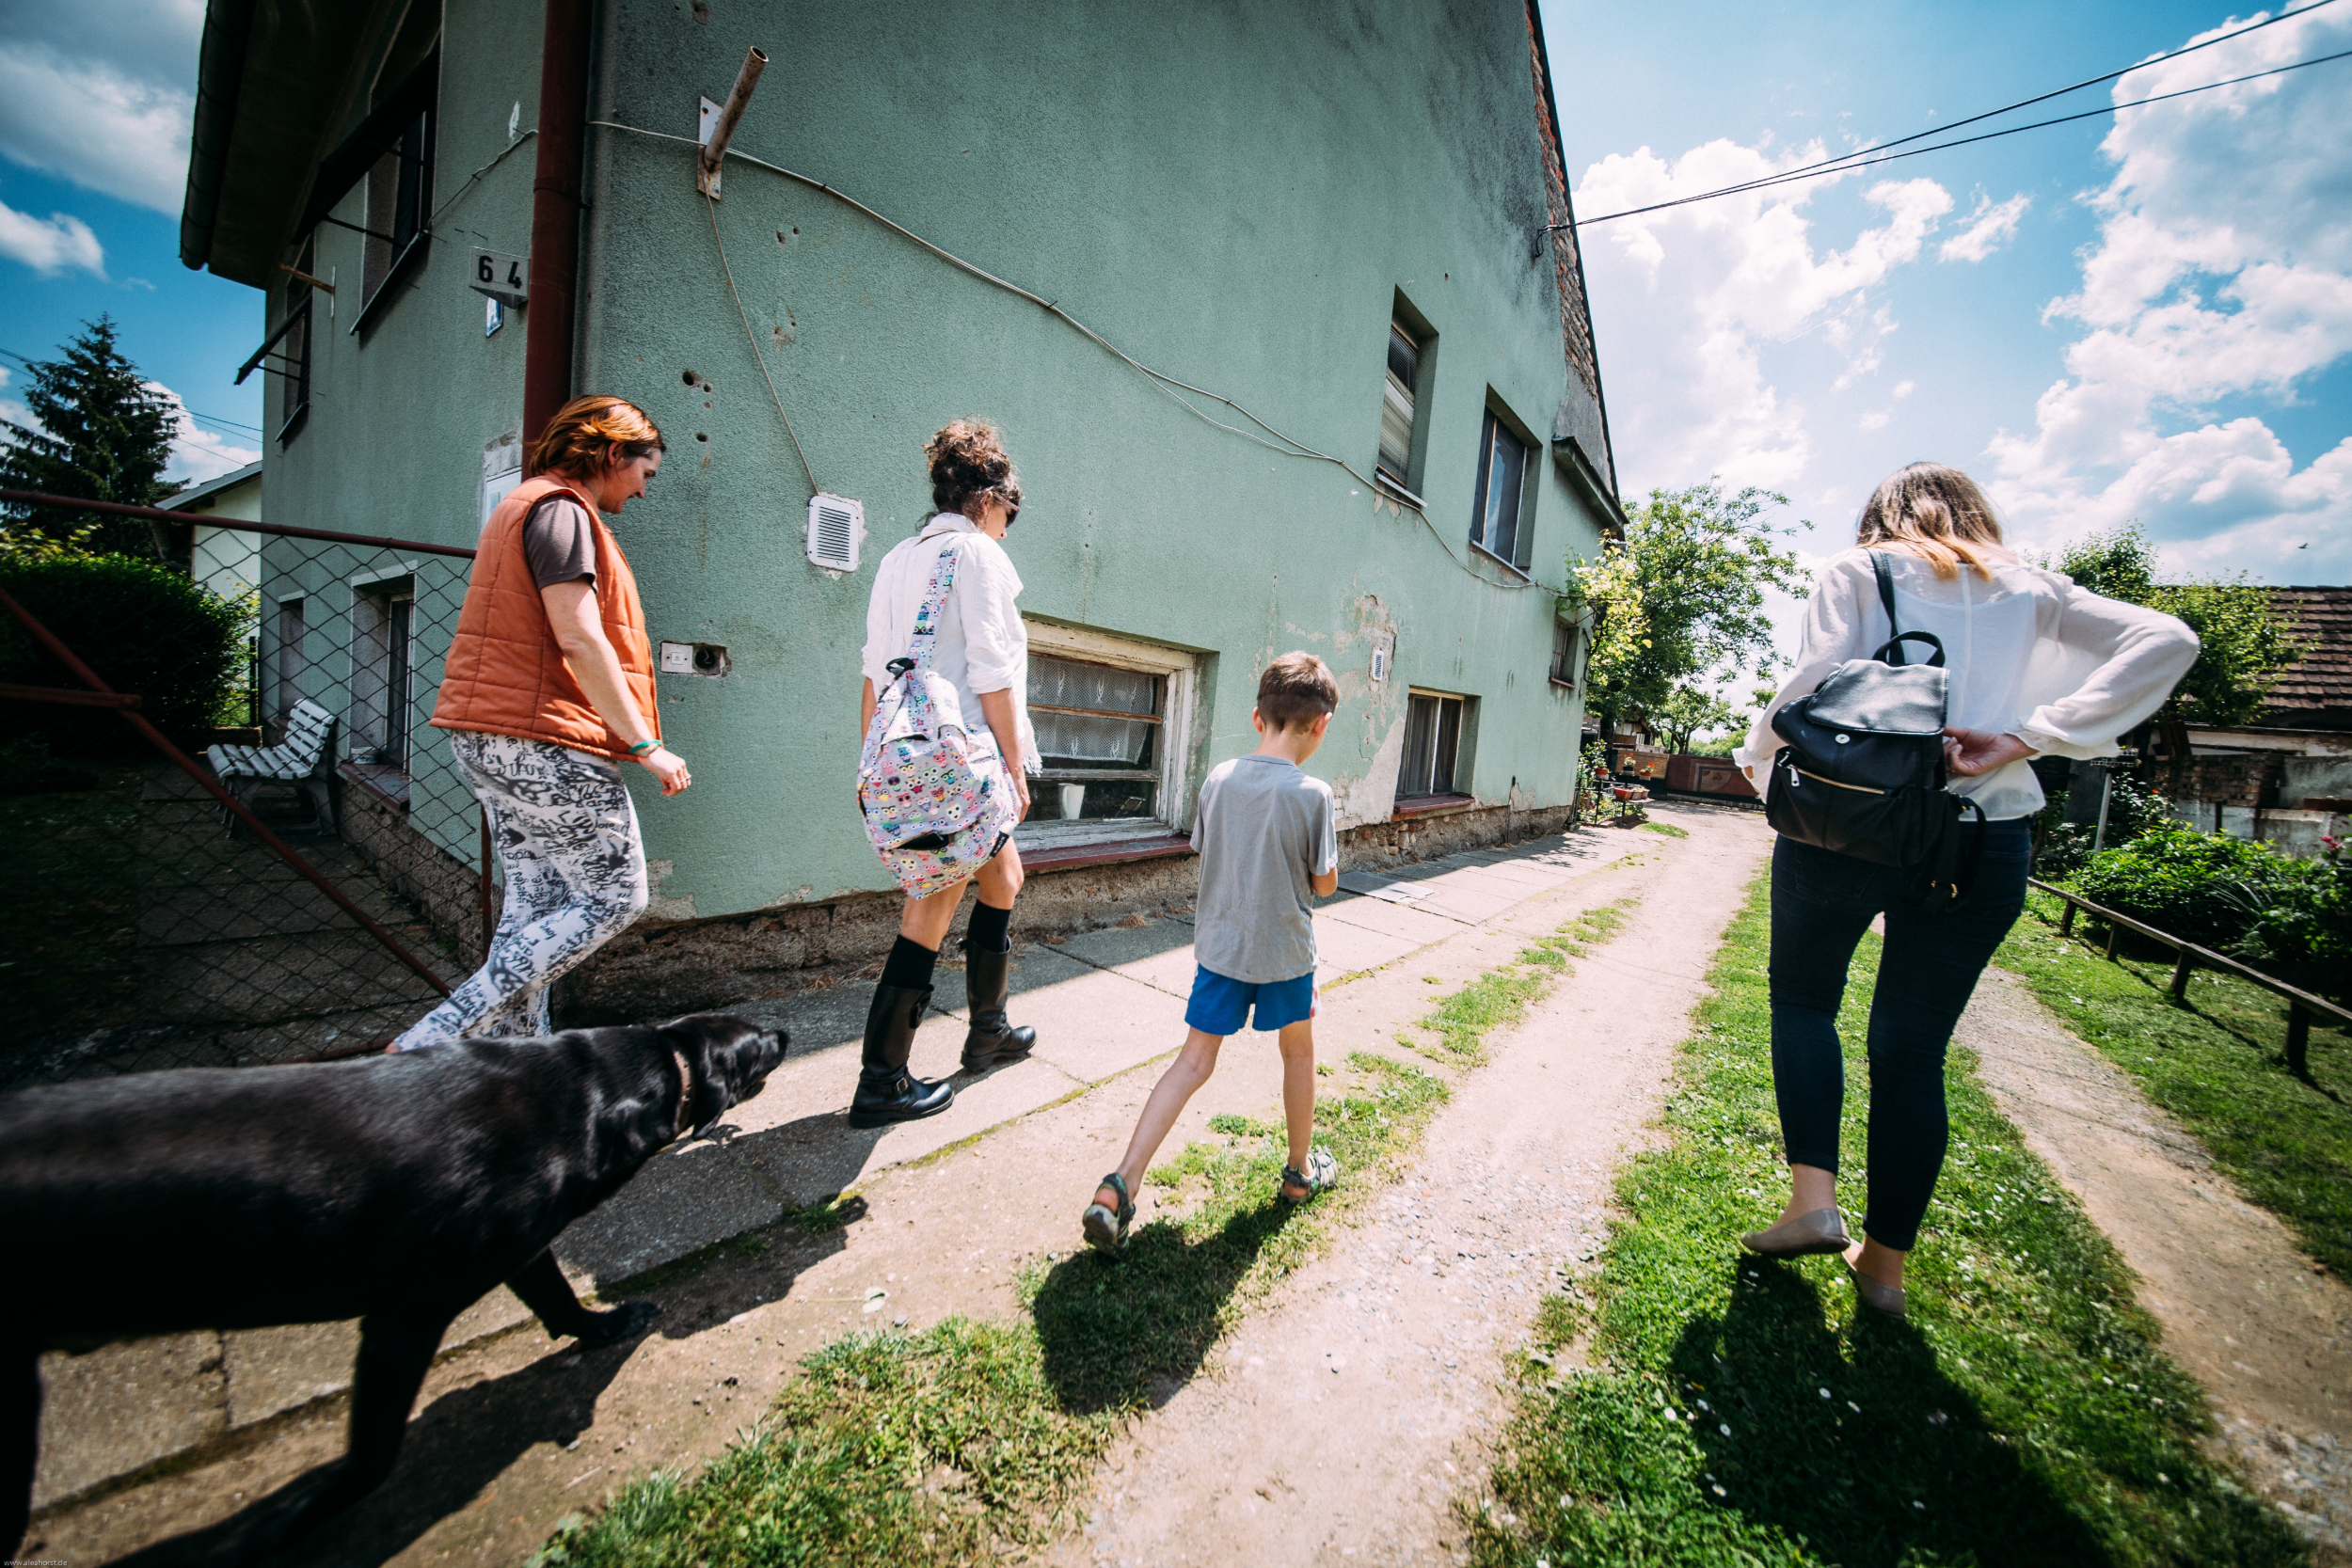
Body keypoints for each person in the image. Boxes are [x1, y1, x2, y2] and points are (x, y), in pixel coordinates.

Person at [1732, 462, 2197, 1316]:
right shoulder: (2035, 588)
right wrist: (2028, 736)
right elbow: (2169, 640)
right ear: (1977, 515)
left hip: (1850, 826)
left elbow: (1812, 681)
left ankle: (1813, 1200)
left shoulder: (1859, 570)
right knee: (1912, 1052)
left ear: (1881, 515)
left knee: (1803, 1002)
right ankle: (1883, 1268)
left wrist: (1759, 761)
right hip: (1985, 835)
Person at [389, 395, 689, 1050]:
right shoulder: (561, 510)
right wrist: (645, 744)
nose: (644, 490)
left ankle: (514, 1059)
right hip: (540, 741)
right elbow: (579, 637)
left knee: (538, 906)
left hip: (494, 738)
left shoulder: (528, 505)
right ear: (612, 453)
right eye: (645, 472)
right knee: (616, 897)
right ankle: (431, 1039)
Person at [1082, 653, 1343, 1255]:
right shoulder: (1314, 794)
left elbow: (1209, 848)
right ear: (1321, 724)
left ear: (1258, 717)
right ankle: (1299, 1171)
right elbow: (1325, 884)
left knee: (1193, 1062)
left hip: (1221, 948)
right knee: (1298, 1051)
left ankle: (1119, 1186)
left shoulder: (1219, 778)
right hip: (1285, 953)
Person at [850, 420, 1041, 1127]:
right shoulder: (977, 554)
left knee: (1005, 876)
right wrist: (1016, 770)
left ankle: (988, 1029)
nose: (1008, 527)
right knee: (929, 909)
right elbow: (993, 672)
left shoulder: (897, 559)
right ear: (988, 498)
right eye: (1008, 512)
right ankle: (881, 1079)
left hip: (912, 752)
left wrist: (871, 763)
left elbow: (875, 672)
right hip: (960, 763)